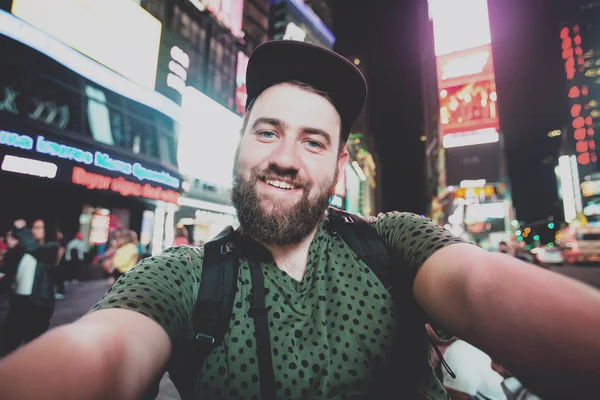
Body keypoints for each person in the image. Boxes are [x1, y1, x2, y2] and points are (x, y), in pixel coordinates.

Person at [0, 41, 599, 399]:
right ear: (241, 144)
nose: (285, 158)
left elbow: (480, 284)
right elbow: (102, 352)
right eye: (268, 132)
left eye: (313, 142)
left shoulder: (391, 241)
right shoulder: (183, 277)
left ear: (340, 167)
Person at [0, 219, 58, 357]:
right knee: (7, 340)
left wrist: (21, 230)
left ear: (47, 231)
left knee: (33, 344)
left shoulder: (50, 248)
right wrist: (11, 245)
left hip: (38, 302)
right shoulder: (24, 248)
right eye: (33, 228)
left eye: (39, 227)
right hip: (20, 300)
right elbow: (8, 264)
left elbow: (35, 249)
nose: (34, 230)